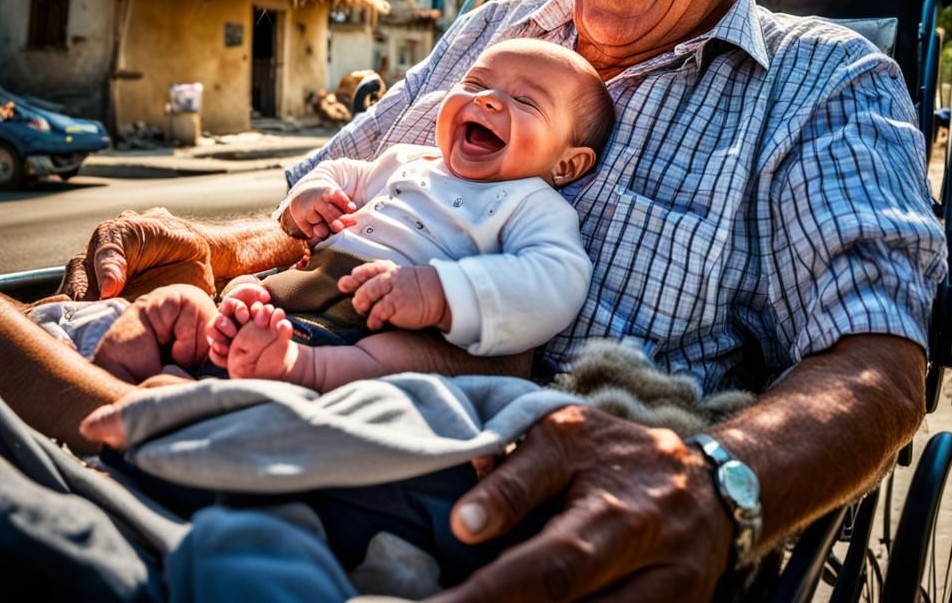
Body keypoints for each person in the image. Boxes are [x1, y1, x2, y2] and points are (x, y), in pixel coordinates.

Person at [3, 0, 945, 603]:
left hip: (449, 483)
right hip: (255, 370)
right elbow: (336, 215)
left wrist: (716, 480)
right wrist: (217, 248)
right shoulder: (496, 33)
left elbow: (875, 362)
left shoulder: (822, 80)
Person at [157, 39, 614, 389]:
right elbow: (342, 170)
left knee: (404, 356)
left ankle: (309, 369)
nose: (488, 100)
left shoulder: (532, 204)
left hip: (397, 321)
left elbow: (556, 279)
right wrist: (313, 194)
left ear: (567, 165)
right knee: (250, 287)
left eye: (527, 101)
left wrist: (440, 294)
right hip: (315, 279)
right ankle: (238, 322)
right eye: (475, 85)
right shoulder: (405, 159)